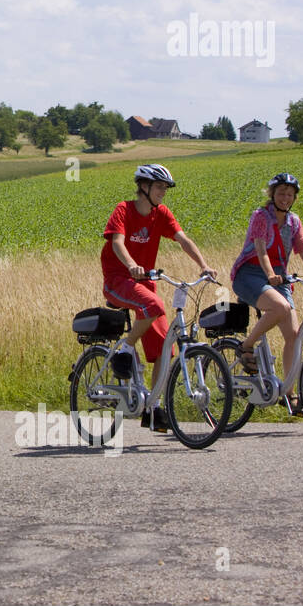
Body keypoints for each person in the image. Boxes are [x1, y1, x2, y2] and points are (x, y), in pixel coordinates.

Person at [100, 165, 216, 432]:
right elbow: (117, 242)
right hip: (119, 281)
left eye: (166, 188)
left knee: (166, 346)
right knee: (154, 305)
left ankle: (153, 407)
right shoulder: (124, 209)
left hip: (145, 286)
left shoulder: (160, 214)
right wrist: (131, 265)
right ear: (144, 186)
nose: (164, 192)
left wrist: (203, 265)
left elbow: (183, 239)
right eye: (160, 187)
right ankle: (127, 349)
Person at [229, 173, 303, 414]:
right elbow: (260, 249)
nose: (285, 198)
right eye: (281, 193)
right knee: (280, 307)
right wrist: (269, 275)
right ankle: (246, 346)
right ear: (272, 194)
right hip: (250, 274)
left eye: (290, 194)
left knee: (294, 337)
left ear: (294, 197)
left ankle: (289, 394)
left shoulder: (294, 222)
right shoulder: (260, 216)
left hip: (280, 277)